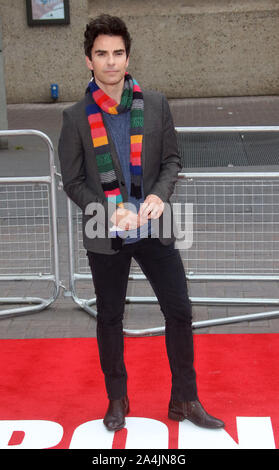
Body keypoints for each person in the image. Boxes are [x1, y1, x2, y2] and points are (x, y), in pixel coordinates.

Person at [58, 14, 224, 432]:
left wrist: (158, 195)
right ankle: (117, 398)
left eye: (117, 53)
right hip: (104, 228)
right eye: (102, 54)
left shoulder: (156, 105)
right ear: (88, 61)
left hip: (154, 227)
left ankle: (185, 398)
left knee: (180, 311)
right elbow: (73, 181)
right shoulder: (75, 118)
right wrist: (104, 206)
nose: (110, 62)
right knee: (110, 317)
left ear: (128, 57)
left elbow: (172, 161)